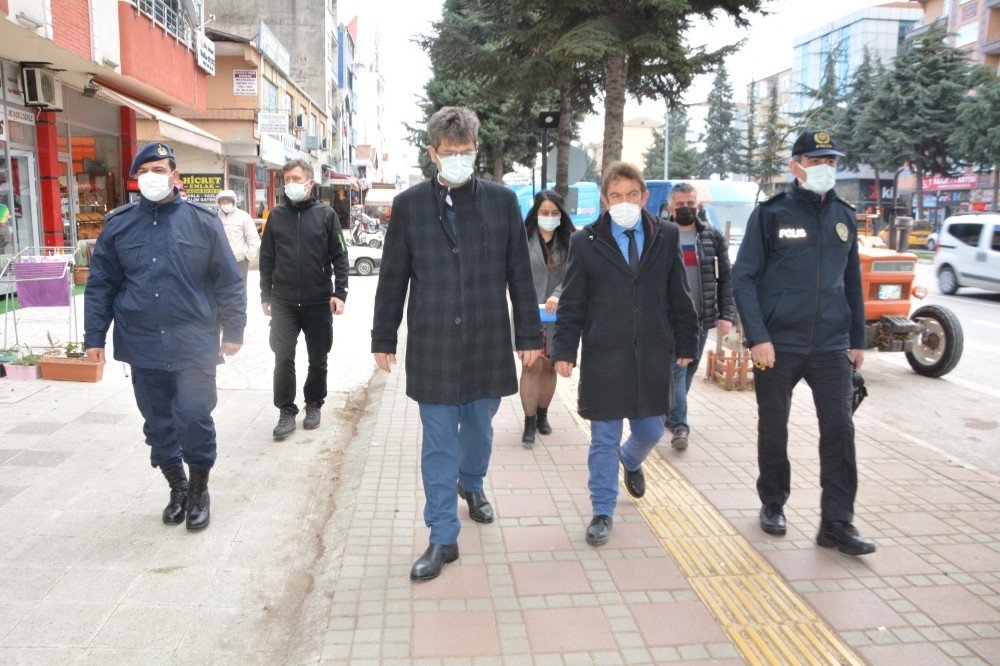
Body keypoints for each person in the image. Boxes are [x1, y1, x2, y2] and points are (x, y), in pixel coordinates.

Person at [371, 106, 542, 581]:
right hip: (433, 345)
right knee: (439, 442)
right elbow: (393, 278)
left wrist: (529, 334)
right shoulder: (408, 206)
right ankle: (443, 536)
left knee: (481, 431)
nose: (459, 161)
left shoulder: (501, 202)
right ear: (432, 153)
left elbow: (519, 275)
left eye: (467, 153)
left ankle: (472, 484)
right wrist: (382, 337)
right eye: (450, 153)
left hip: (487, 339)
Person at [84, 142, 246, 532]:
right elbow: (101, 284)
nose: (153, 177)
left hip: (194, 341)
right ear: (137, 178)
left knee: (193, 416)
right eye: (146, 171)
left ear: (176, 176)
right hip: (143, 343)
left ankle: (200, 491)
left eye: (161, 169)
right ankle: (178, 487)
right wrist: (94, 338)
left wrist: (234, 329)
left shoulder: (203, 222)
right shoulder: (119, 224)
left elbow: (229, 280)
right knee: (158, 424)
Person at [732, 130, 875, 556]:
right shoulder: (771, 214)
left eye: (830, 161)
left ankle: (836, 522)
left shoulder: (844, 216)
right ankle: (773, 502)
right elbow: (744, 277)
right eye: (815, 162)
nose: (824, 169)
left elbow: (851, 282)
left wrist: (856, 339)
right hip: (779, 345)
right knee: (774, 427)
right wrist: (758, 337)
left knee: (840, 431)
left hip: (831, 345)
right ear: (795, 166)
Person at [551, 162, 700, 547]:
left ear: (645, 197)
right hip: (605, 355)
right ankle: (602, 510)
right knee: (603, 438)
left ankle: (631, 460)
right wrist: (564, 350)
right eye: (615, 196)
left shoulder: (665, 236)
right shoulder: (586, 242)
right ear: (604, 200)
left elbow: (679, 295)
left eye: (631, 194)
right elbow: (572, 303)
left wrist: (687, 342)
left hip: (652, 355)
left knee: (651, 430)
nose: (624, 202)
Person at [259, 159, 349, 441]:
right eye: (287, 179)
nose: (291, 184)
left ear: (310, 182)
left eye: (296, 178)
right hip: (284, 301)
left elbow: (340, 256)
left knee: (318, 357)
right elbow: (266, 259)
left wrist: (340, 293)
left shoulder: (327, 215)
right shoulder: (275, 215)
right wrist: (265, 294)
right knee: (282, 357)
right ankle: (286, 411)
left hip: (318, 300)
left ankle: (314, 404)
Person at [661, 182, 735, 450]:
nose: (685, 209)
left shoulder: (712, 237)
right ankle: (680, 424)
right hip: (669, 318)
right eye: (680, 205)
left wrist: (725, 314)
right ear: (670, 207)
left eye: (690, 204)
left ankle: (670, 414)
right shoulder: (659, 235)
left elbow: (726, 278)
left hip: (701, 318)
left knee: (689, 369)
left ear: (698, 205)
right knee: (678, 368)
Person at [520, 190, 575, 446]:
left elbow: (576, 275)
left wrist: (558, 294)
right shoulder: (522, 238)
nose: (549, 217)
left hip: (558, 315)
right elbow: (513, 272)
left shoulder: (572, 242)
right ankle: (529, 421)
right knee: (531, 365)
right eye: (544, 213)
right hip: (528, 312)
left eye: (555, 213)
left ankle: (543, 415)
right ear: (536, 213)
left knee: (549, 366)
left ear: (561, 216)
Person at [216, 189, 261, 287]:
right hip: (220, 260)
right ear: (219, 203)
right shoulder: (215, 217)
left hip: (240, 260)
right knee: (221, 288)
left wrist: (248, 257)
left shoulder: (243, 216)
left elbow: (253, 239)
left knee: (239, 289)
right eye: (223, 202)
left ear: (234, 202)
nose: (225, 204)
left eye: (228, 202)